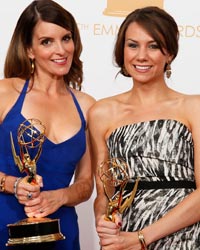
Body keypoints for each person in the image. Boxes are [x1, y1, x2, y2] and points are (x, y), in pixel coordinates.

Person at [88, 6, 200, 249]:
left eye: (153, 46)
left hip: (184, 238)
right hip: (124, 239)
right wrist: (103, 220)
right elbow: (104, 194)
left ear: (169, 52)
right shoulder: (101, 113)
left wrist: (142, 237)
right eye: (133, 45)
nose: (141, 56)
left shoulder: (194, 107)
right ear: (122, 49)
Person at [0, 0, 95, 249]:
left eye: (66, 38)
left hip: (61, 233)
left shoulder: (87, 106)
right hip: (4, 228)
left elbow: (86, 184)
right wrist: (14, 184)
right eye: (46, 42)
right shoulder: (5, 93)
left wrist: (60, 196)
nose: (61, 50)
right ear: (29, 49)